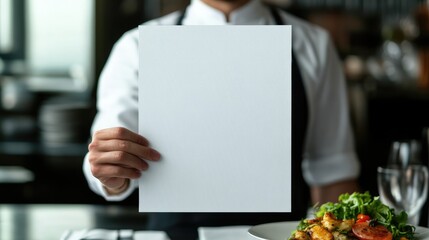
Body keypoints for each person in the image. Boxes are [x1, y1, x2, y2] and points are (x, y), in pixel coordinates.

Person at [83, 0, 360, 237]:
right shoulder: (136, 46)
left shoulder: (313, 44)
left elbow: (333, 172)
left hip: (278, 236)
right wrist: (110, 173)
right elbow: (107, 155)